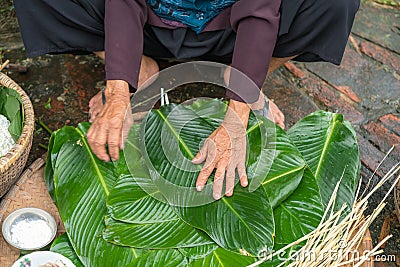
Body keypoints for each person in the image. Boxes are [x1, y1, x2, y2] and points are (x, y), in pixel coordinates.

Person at [14, 0, 360, 200]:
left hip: (230, 30)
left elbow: (260, 10)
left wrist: (238, 107)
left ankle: (240, 73)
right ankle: (141, 67)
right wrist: (118, 88)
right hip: (151, 25)